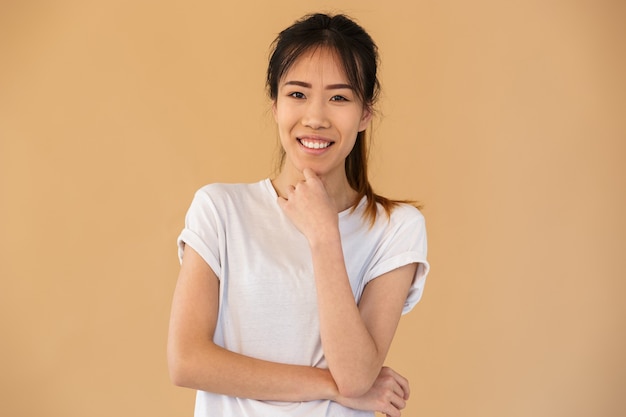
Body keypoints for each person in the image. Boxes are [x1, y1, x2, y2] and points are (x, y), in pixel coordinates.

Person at [167, 13, 429, 417]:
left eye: (339, 97)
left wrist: (324, 235)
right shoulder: (220, 210)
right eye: (297, 94)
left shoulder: (395, 229)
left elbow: (357, 376)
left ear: (364, 114)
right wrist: (333, 389)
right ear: (275, 105)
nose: (316, 117)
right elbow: (187, 361)